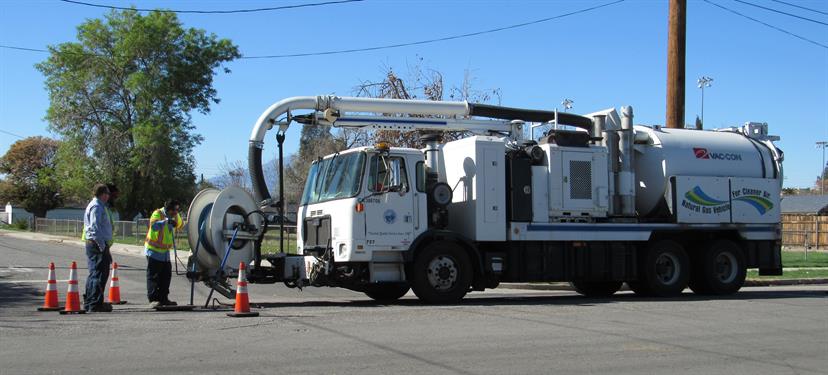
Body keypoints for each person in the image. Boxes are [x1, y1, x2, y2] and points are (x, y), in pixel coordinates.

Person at [144, 199, 184, 307]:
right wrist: (166, 221)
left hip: (165, 253)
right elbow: (154, 226)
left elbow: (180, 225)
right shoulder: (158, 213)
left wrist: (177, 223)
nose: (176, 213)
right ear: (168, 209)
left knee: (166, 276)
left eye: (177, 210)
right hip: (154, 251)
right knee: (154, 276)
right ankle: (153, 300)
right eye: (174, 211)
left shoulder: (176, 215)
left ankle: (163, 298)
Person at [82, 183, 113, 312]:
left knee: (95, 273)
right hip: (97, 244)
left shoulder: (99, 206)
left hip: (95, 243)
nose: (108, 196)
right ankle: (94, 303)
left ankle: (91, 301)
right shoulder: (96, 206)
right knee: (99, 273)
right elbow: (94, 228)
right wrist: (102, 246)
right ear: (101, 194)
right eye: (107, 194)